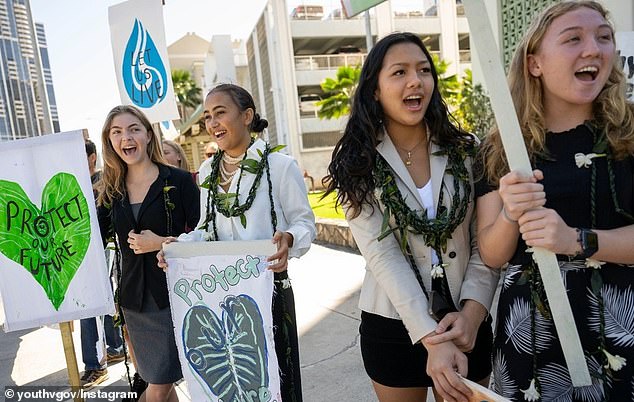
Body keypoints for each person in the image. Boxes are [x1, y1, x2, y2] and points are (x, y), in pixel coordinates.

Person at [322, 32, 499, 402]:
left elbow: (487, 242)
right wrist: (430, 338)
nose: (415, 81)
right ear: (375, 89)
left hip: (466, 320)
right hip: (391, 324)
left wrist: (472, 314)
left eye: (423, 70)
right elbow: (382, 254)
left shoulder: (467, 152)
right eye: (399, 72)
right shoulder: (357, 164)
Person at [476, 2, 634, 400]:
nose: (593, 49)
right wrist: (512, 212)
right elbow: (492, 255)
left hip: (622, 327)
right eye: (573, 39)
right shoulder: (503, 147)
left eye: (603, 36)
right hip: (531, 338)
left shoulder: (629, 136)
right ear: (535, 63)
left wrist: (575, 240)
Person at [158, 83, 316, 402]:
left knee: (276, 384)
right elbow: (206, 228)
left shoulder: (279, 166)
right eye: (207, 117)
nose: (213, 123)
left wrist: (288, 238)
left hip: (268, 292)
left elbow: (305, 223)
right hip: (221, 293)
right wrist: (178, 248)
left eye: (220, 113)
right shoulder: (207, 171)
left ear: (246, 116)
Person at [97, 105, 200, 402]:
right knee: (160, 382)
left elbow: (205, 235)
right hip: (134, 302)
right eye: (117, 132)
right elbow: (92, 237)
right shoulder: (111, 191)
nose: (126, 137)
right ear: (110, 142)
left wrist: (162, 243)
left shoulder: (178, 181)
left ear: (147, 135)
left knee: (160, 383)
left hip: (178, 295)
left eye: (133, 129)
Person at [79, 139, 125, 388]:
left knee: (92, 304)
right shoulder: (74, 180)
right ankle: (115, 346)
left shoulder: (104, 181)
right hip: (82, 251)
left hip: (101, 248)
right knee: (100, 301)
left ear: (92, 157)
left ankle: (96, 366)